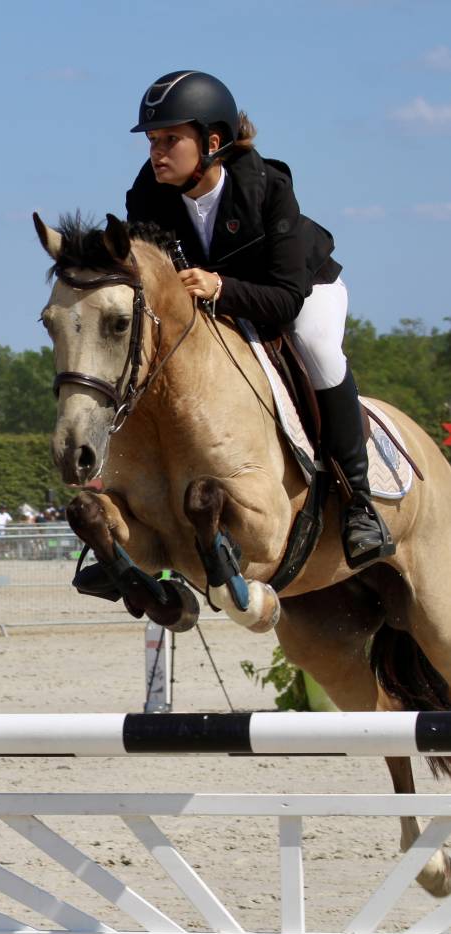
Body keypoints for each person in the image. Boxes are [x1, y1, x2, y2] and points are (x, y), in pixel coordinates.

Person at [125, 70, 390, 568]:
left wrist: (222, 287)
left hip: (302, 290)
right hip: (211, 301)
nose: (157, 152)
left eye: (170, 139)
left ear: (213, 141)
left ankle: (358, 502)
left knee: (318, 350)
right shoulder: (145, 196)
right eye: (153, 141)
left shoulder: (267, 186)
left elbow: (287, 299)